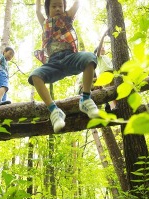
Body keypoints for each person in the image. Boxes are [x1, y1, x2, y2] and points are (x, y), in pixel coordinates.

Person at [29, 0, 99, 133]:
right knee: (35, 76)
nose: (57, 9)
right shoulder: (45, 23)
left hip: (70, 57)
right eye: (54, 6)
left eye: (60, 6)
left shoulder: (67, 18)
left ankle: (85, 99)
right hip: (54, 64)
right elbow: (38, 11)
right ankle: (54, 111)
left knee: (90, 58)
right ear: (48, 9)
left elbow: (77, 4)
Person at [94, 30, 115, 112]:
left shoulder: (107, 57)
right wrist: (103, 36)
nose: (103, 48)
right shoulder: (98, 57)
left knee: (115, 91)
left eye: (104, 47)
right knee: (109, 91)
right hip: (104, 75)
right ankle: (109, 107)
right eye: (101, 47)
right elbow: (99, 48)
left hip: (113, 74)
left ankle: (116, 107)